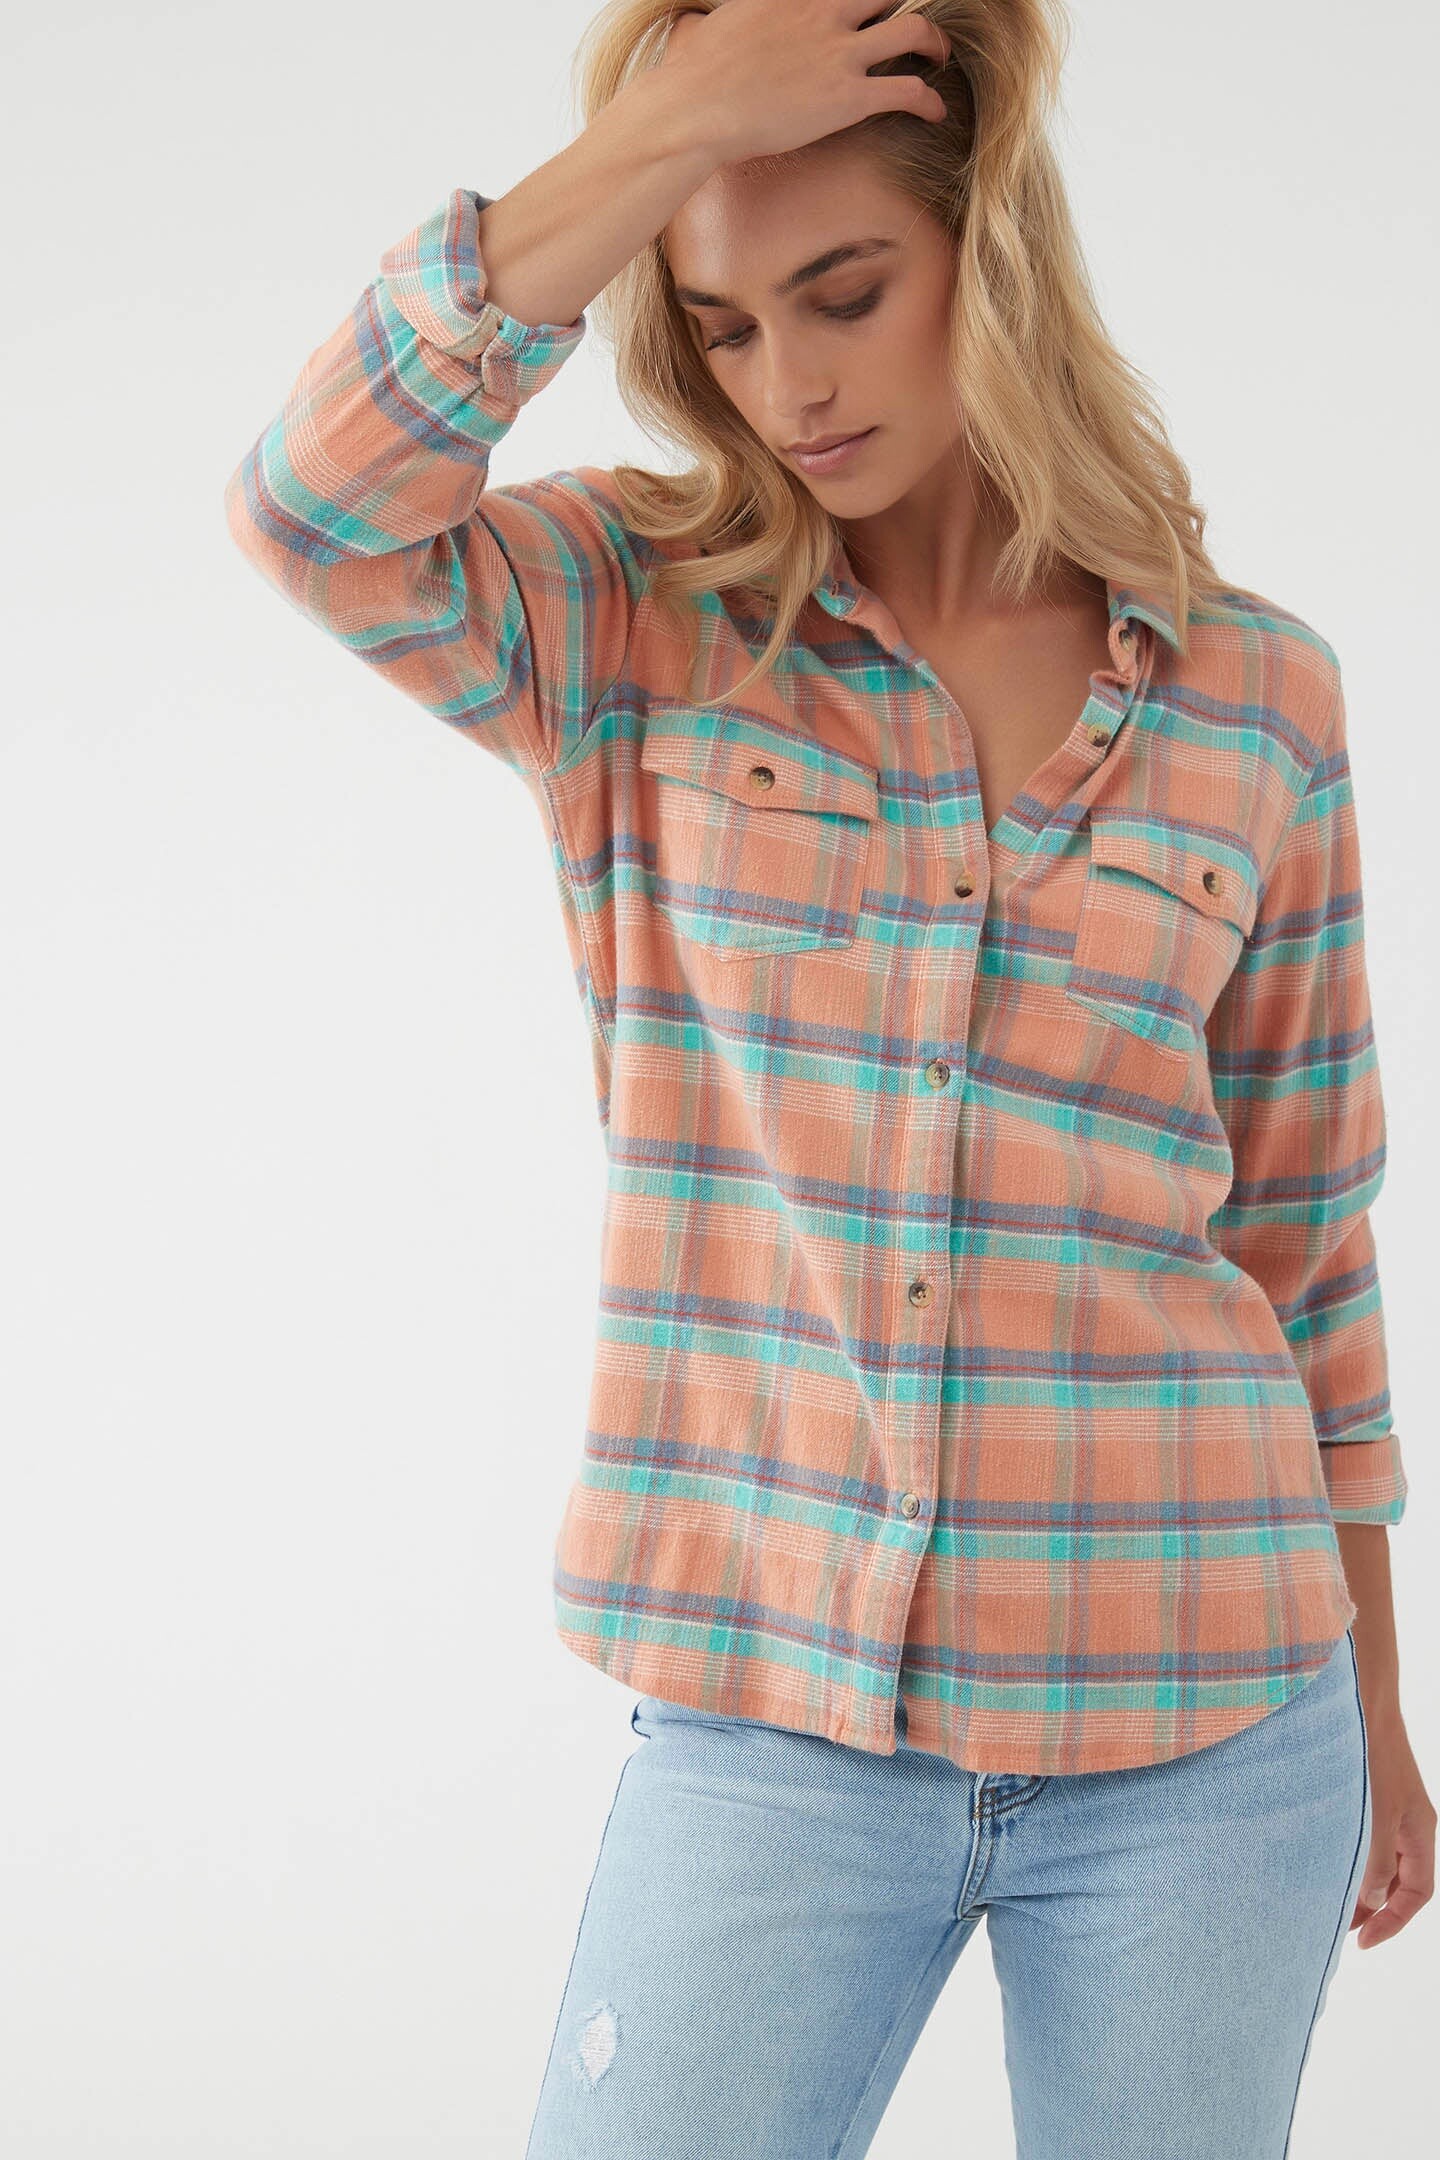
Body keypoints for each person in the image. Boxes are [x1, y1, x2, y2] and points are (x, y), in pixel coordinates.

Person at [224, 2, 1433, 2151]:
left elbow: (1305, 1236)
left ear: (991, 253)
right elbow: (317, 514)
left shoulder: (1261, 697)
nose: (789, 383)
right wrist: (667, 127)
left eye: (845, 292)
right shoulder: (634, 619)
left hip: (1215, 1718)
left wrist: (1381, 1702)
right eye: (723, 325)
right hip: (774, 1713)